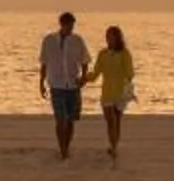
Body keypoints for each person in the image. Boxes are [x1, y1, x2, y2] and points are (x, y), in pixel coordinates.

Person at [35, 12, 91, 159]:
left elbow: (85, 60)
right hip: (56, 85)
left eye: (72, 25)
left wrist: (84, 77)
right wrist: (41, 83)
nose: (71, 28)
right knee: (61, 119)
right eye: (68, 25)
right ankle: (63, 150)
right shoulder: (49, 40)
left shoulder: (77, 40)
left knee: (71, 120)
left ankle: (67, 145)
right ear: (62, 24)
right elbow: (44, 63)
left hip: (73, 85)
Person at [85, 25, 137, 167]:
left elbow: (130, 73)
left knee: (117, 121)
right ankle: (112, 145)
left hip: (120, 93)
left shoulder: (124, 53)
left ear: (117, 38)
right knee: (110, 120)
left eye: (112, 36)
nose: (109, 39)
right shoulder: (103, 54)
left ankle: (114, 146)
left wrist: (128, 80)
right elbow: (96, 73)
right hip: (107, 92)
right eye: (107, 36)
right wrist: (84, 79)